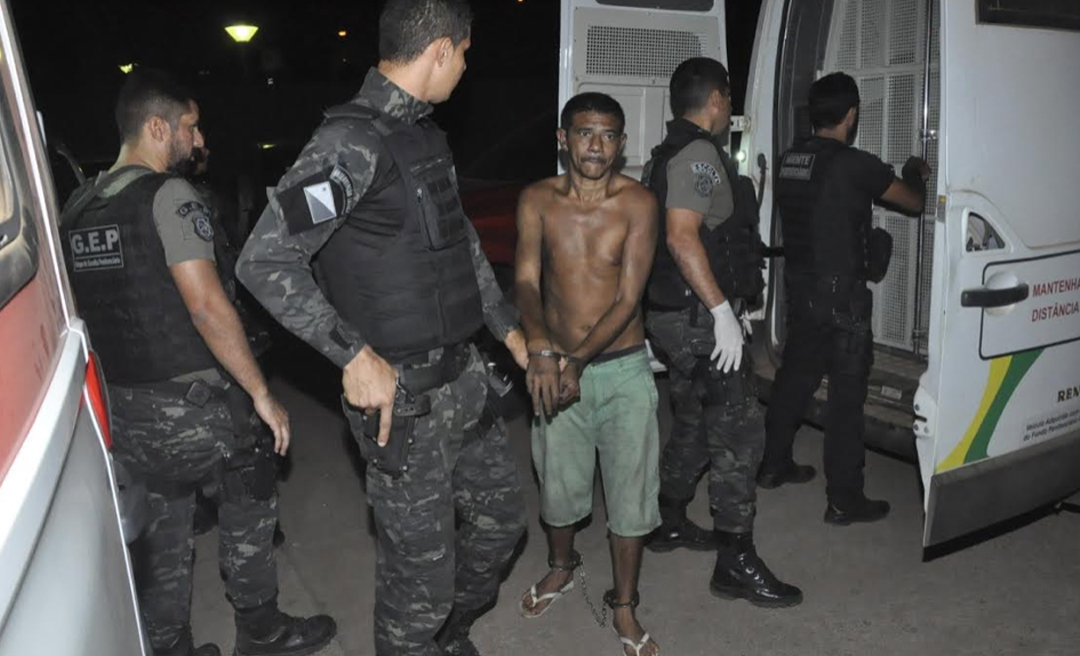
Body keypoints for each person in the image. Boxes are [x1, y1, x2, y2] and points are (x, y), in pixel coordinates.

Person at [235, 2, 529, 654]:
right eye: (466, 53)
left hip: (466, 384)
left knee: (502, 527)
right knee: (419, 581)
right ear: (442, 51)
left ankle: (443, 637)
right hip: (406, 407)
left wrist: (506, 329)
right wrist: (351, 353)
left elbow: (460, 247)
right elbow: (264, 258)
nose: (466, 67)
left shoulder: (424, 136)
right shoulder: (351, 145)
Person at [58, 69, 335, 656]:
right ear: (158, 128)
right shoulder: (168, 196)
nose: (199, 137)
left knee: (162, 534)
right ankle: (260, 630)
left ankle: (170, 646)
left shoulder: (78, 207)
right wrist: (260, 392)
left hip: (125, 409)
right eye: (191, 125)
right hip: (195, 411)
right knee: (250, 491)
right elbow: (207, 306)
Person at [641, 57, 802, 607]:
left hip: (676, 315)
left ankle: (667, 517)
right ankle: (734, 561)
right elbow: (682, 238)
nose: (729, 109)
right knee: (738, 429)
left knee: (692, 415)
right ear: (715, 100)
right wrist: (721, 313)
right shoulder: (698, 156)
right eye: (728, 100)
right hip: (694, 317)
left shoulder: (670, 153)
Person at [515, 92, 662, 656]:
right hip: (553, 367)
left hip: (622, 369)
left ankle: (624, 605)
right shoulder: (537, 200)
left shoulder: (639, 203)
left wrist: (576, 360)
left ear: (622, 144)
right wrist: (542, 346)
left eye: (607, 135)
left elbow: (628, 299)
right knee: (558, 485)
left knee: (631, 496)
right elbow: (526, 281)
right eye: (583, 133)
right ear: (562, 137)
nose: (595, 146)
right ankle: (560, 567)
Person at [761, 72, 929, 524]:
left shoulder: (789, 159)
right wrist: (916, 171)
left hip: (802, 291)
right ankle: (844, 498)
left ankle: (772, 465)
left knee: (794, 379)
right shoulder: (855, 164)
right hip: (843, 300)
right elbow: (912, 202)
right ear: (851, 115)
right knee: (846, 398)